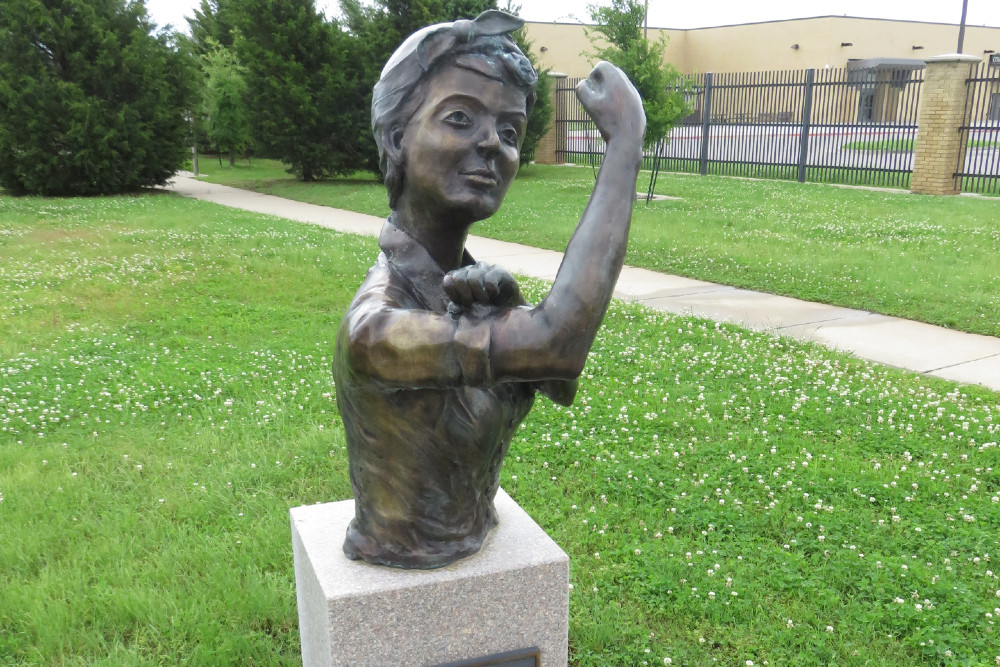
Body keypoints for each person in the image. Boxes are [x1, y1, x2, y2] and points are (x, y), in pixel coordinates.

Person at [333, 10, 645, 569]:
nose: (492, 146)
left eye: (509, 132)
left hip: (473, 532)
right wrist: (624, 145)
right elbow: (558, 347)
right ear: (397, 136)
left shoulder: (463, 290)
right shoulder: (376, 330)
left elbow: (554, 380)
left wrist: (500, 313)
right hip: (406, 555)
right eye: (460, 118)